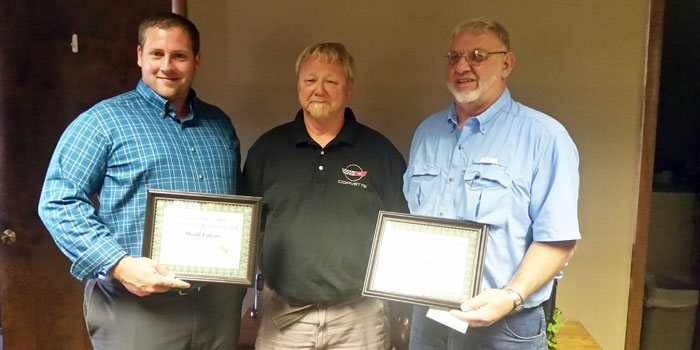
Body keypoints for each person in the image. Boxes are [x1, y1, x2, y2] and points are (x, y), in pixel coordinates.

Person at [38, 13, 246, 350]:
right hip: (136, 308)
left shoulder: (220, 125)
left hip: (215, 308)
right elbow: (58, 201)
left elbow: (233, 204)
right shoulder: (102, 122)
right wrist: (118, 264)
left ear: (196, 60)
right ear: (139, 56)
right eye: (156, 54)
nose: (167, 66)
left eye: (179, 55)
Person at [404, 18, 580, 349]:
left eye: (477, 56)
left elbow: (559, 240)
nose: (463, 66)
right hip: (429, 322)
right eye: (454, 57)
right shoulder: (426, 134)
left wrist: (510, 296)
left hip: (505, 328)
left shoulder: (544, 137)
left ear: (506, 63)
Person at [242, 42, 409, 350]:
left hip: (359, 320)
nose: (319, 89)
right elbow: (247, 229)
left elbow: (400, 235)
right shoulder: (267, 150)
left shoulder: (380, 153)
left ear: (349, 87)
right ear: (298, 85)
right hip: (283, 318)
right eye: (310, 80)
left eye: (331, 81)